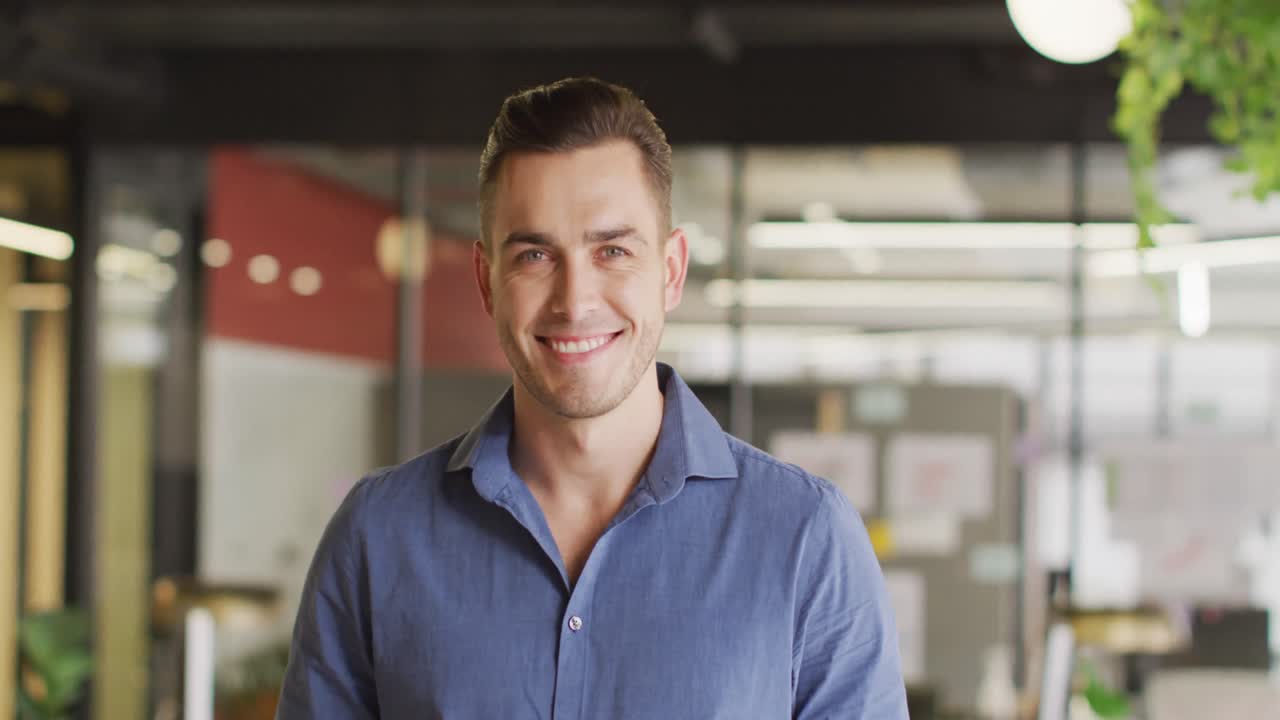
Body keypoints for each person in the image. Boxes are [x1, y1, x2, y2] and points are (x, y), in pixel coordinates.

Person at [276, 76, 907, 719]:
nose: (574, 301)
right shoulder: (377, 538)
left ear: (670, 271)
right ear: (487, 280)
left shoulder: (806, 538)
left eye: (612, 250)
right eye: (534, 255)